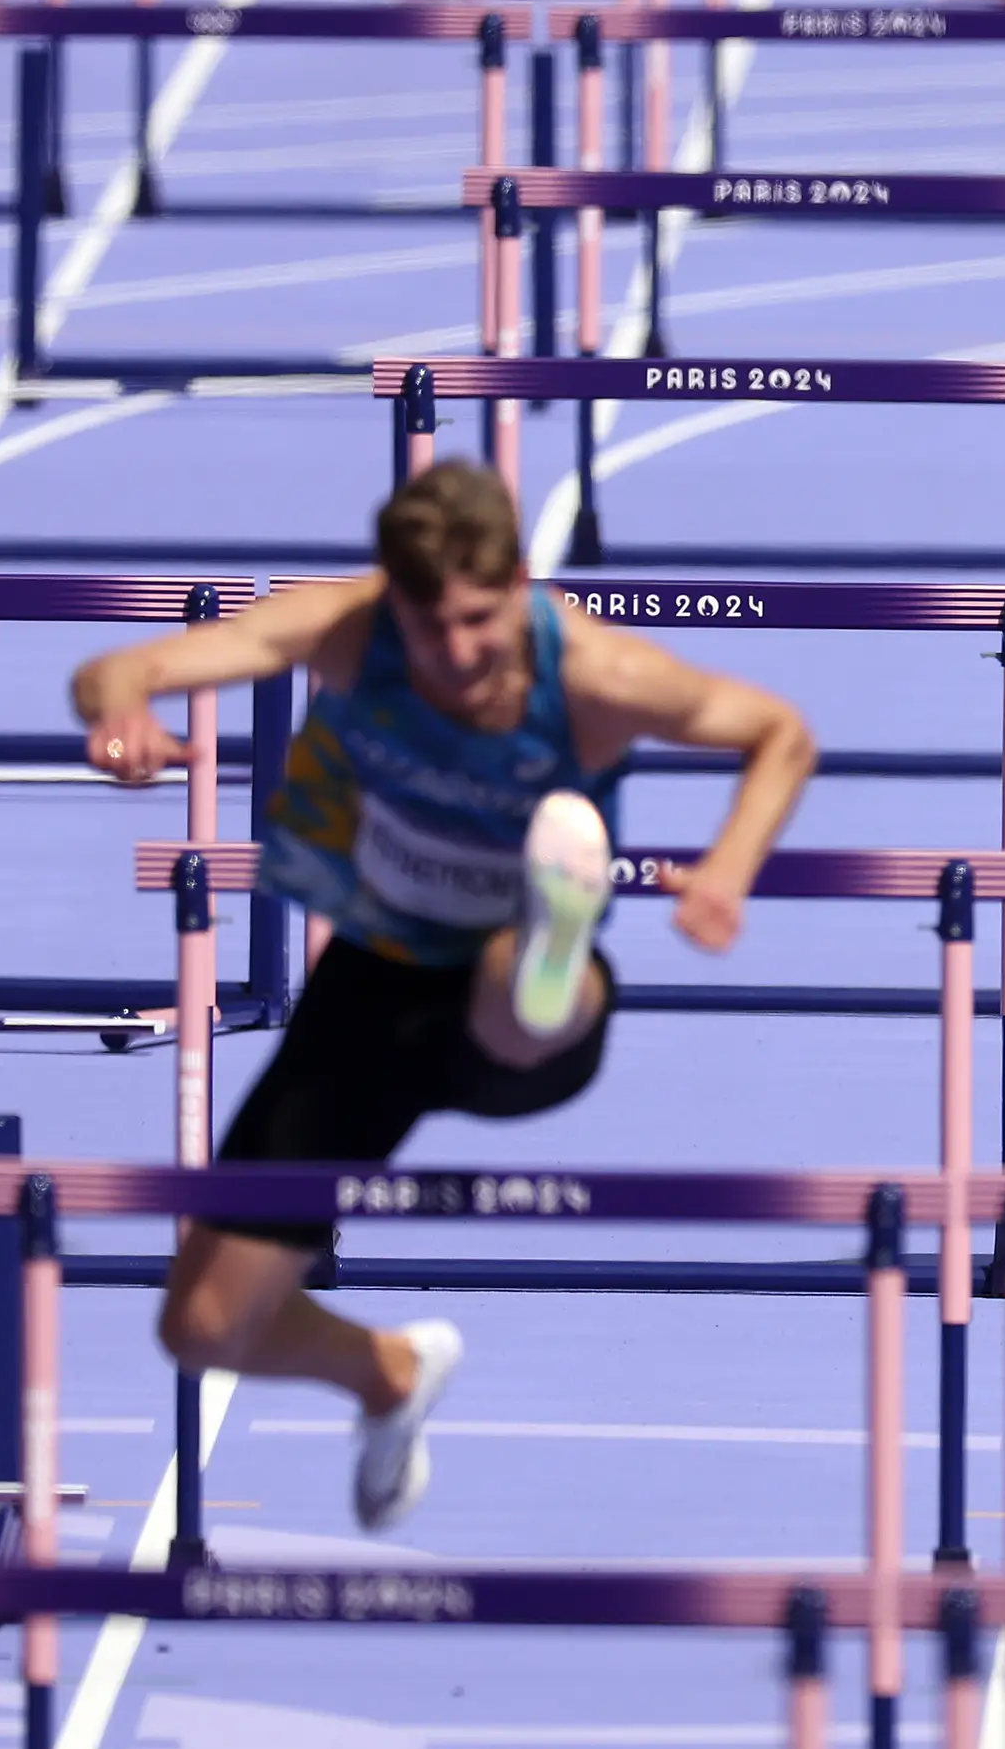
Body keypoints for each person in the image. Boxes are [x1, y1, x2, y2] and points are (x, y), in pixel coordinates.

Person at [71, 463, 814, 1533]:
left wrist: (730, 866)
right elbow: (117, 665)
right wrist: (122, 717)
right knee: (202, 1324)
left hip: (517, 1012)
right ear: (392, 602)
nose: (458, 653)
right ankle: (387, 1370)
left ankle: (552, 932)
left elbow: (778, 733)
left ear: (520, 584)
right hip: (371, 990)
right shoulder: (346, 629)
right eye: (431, 628)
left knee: (515, 985)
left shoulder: (600, 672)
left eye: (480, 620)